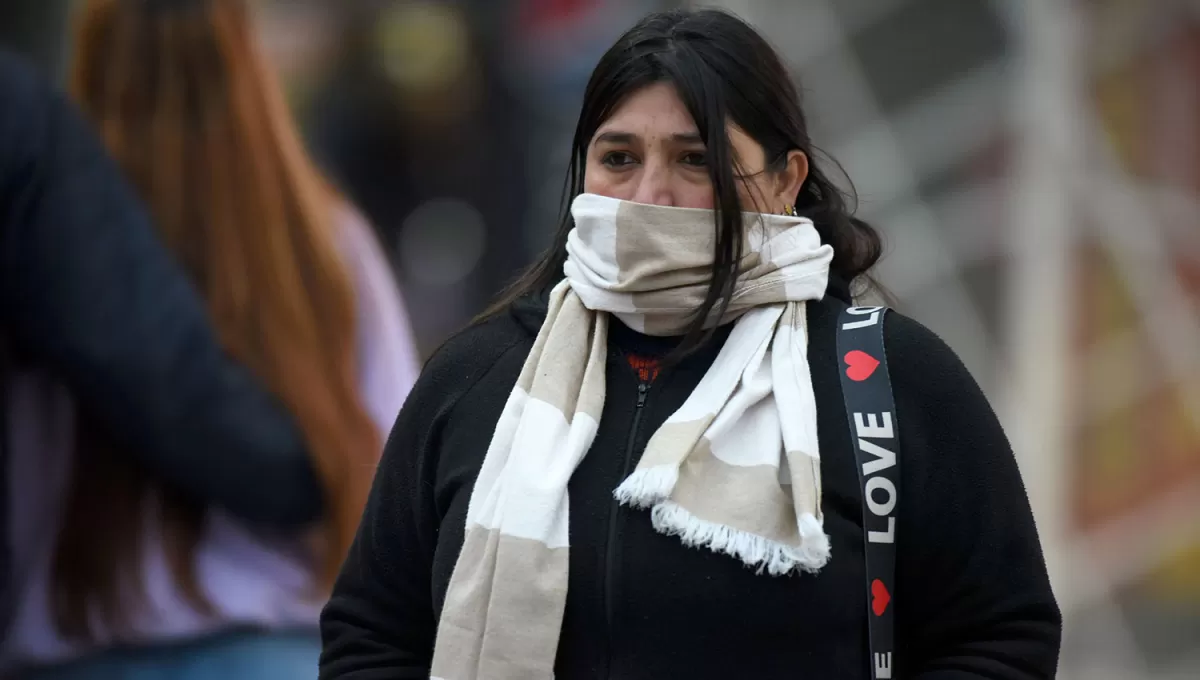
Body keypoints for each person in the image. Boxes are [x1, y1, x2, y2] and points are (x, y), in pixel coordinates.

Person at [320, 8, 1061, 680]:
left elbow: (999, 636)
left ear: (784, 180)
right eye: (618, 158)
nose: (650, 195)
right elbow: (372, 634)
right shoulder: (478, 376)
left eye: (695, 160)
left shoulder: (888, 379)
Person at [2, 0, 420, 676]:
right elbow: (399, 482)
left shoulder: (42, 247)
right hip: (288, 655)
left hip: (73, 654)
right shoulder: (328, 246)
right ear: (247, 65)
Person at [0, 48, 321, 646]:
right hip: (262, 624)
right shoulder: (322, 240)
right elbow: (143, 362)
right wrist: (314, 475)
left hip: (64, 630)